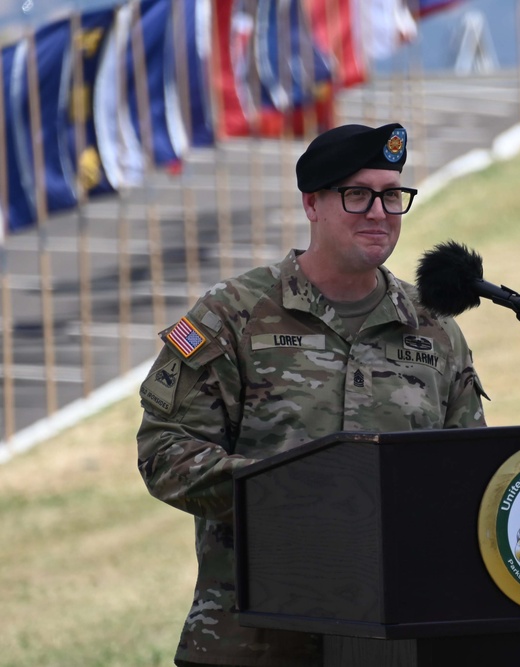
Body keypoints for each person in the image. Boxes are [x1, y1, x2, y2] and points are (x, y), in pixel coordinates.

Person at [136, 123, 487, 667]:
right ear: (312, 204)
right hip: (253, 636)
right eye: (357, 194)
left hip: (394, 639)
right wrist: (299, 495)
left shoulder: (433, 328)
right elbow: (166, 452)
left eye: (392, 195)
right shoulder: (232, 315)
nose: (378, 212)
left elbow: (469, 472)